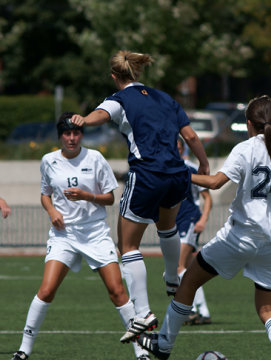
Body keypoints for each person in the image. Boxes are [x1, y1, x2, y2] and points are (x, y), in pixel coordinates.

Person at [133, 95, 271, 360]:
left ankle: (164, 345)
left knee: (189, 282)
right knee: (268, 309)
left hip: (240, 237)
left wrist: (179, 172)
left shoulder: (245, 149)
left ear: (249, 124)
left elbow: (215, 182)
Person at [70, 50, 209, 343]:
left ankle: (143, 312)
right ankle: (173, 278)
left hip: (148, 174)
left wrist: (84, 119)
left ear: (114, 76)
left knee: (128, 245)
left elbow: (101, 114)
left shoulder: (119, 99)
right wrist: (205, 164)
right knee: (167, 228)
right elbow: (192, 137)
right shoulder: (165, 98)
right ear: (138, 72)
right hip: (177, 173)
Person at [8, 112, 152, 360]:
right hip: (64, 236)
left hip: (95, 234)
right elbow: (45, 195)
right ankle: (23, 350)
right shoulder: (48, 161)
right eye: (67, 133)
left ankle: (142, 354)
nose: (71, 138)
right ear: (60, 136)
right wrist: (52, 212)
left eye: (76, 133)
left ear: (81, 135)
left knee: (117, 291)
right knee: (47, 289)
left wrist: (87, 195)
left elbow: (110, 198)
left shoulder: (95, 158)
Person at [176, 138, 212, 325]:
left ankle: (188, 310)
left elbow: (207, 197)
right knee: (189, 271)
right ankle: (203, 311)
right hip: (174, 223)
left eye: (177, 147)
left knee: (178, 267)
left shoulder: (188, 168)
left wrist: (203, 219)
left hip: (189, 220)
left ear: (182, 150)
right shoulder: (164, 169)